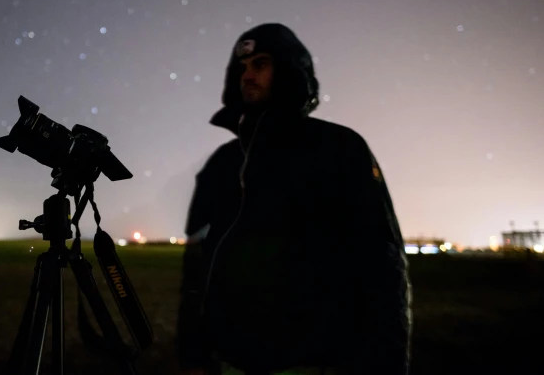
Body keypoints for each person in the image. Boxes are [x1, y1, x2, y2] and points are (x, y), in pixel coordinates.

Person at [175, 23, 412, 375]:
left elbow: (382, 262)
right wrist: (193, 356)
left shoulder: (340, 149)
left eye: (261, 63)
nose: (248, 75)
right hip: (232, 364)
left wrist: (387, 363)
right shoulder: (222, 163)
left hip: (316, 362)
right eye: (242, 67)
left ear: (289, 70)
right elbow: (197, 265)